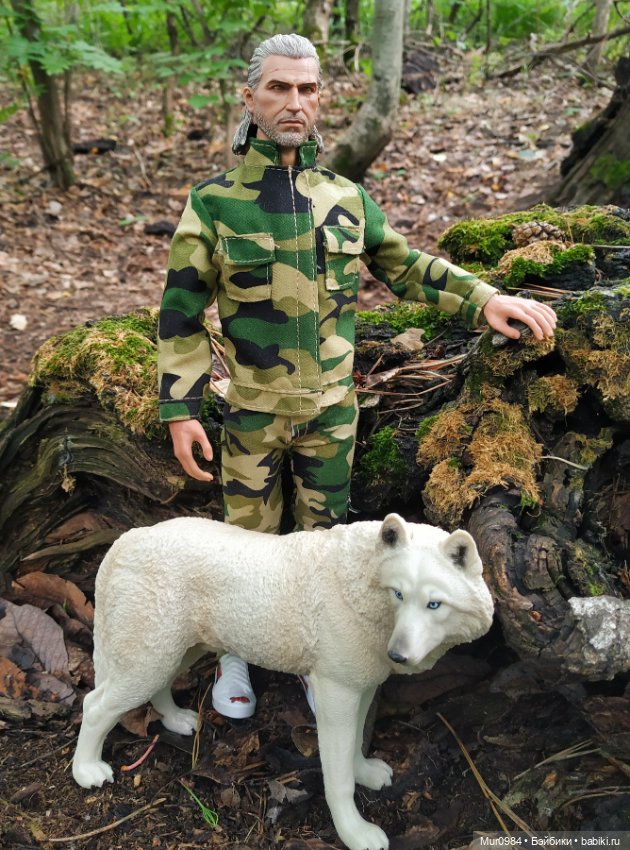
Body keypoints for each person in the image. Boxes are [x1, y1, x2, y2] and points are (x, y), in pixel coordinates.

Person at [157, 33, 556, 720]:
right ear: (249, 97)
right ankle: (234, 652)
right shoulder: (216, 203)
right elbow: (182, 309)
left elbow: (403, 264)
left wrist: (486, 298)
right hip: (251, 410)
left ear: (320, 100)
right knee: (244, 545)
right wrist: (181, 408)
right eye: (279, 88)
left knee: (326, 545)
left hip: (333, 415)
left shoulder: (343, 197)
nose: (294, 102)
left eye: (307, 89)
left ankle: (322, 659)